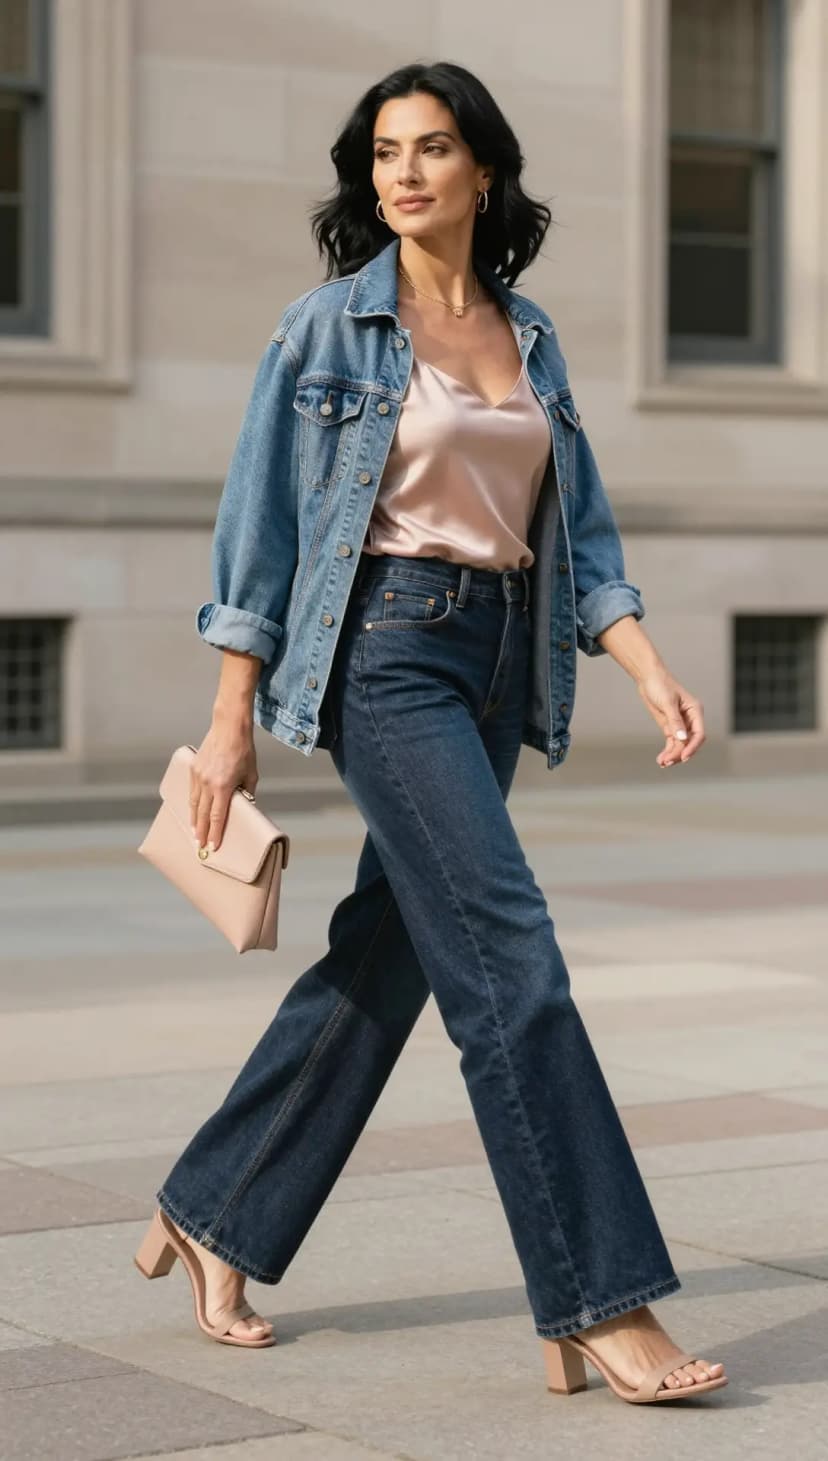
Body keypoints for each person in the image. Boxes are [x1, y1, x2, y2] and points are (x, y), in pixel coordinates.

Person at [134, 61, 728, 1405]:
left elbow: (578, 531)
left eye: (434, 147)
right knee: (512, 959)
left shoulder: (535, 336)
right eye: (386, 151)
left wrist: (646, 664)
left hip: (498, 664)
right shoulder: (325, 332)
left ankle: (213, 1206)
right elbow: (261, 531)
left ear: (483, 174)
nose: (404, 170)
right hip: (385, 655)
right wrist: (230, 718)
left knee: (394, 955)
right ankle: (601, 1295)